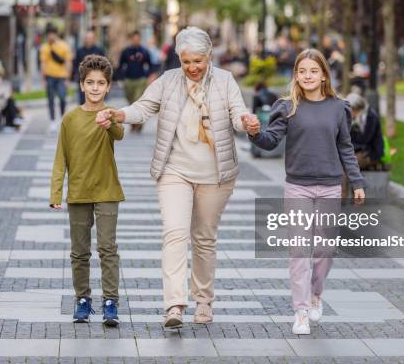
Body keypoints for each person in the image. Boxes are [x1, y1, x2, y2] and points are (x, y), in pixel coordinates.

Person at [95, 27, 252, 329]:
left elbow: (238, 113)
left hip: (215, 174)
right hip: (174, 170)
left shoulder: (225, 81)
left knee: (204, 239)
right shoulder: (167, 82)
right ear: (178, 59)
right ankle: (174, 305)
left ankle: (203, 301)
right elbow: (142, 107)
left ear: (209, 57)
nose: (192, 68)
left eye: (198, 61)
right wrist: (118, 114)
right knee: (175, 234)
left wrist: (247, 123)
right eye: (186, 61)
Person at [245, 48, 365, 335]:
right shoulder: (287, 107)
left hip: (330, 187)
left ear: (324, 74)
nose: (307, 76)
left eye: (313, 71)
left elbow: (345, 147)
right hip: (297, 186)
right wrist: (253, 131)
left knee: (325, 249)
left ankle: (316, 295)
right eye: (302, 71)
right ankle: (300, 311)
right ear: (295, 75)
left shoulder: (339, 107)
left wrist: (358, 182)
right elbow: (270, 141)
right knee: (299, 250)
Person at [49, 55, 125, 325]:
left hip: (107, 191)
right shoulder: (70, 119)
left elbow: (119, 135)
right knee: (79, 251)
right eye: (90, 82)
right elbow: (61, 158)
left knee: (107, 248)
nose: (95, 88)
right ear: (81, 85)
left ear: (108, 87)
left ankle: (110, 302)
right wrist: (55, 193)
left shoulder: (109, 114)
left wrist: (111, 121)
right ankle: (82, 299)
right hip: (79, 192)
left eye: (101, 83)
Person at [117, 31, 153, 133]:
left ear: (140, 39)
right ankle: (134, 123)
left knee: (137, 101)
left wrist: (148, 76)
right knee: (130, 102)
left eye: (138, 39)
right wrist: (121, 77)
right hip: (128, 80)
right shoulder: (126, 51)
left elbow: (150, 65)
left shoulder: (144, 51)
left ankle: (138, 124)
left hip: (140, 79)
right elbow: (120, 65)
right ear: (132, 39)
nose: (136, 41)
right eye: (134, 39)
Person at [40, 24, 73, 131]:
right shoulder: (45, 47)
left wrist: (68, 78)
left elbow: (68, 62)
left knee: (63, 97)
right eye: (49, 35)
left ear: (56, 34)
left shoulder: (64, 46)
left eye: (52, 34)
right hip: (49, 76)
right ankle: (52, 120)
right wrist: (43, 79)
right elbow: (43, 63)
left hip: (62, 77)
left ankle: (62, 116)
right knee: (50, 99)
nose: (50, 37)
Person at [72, 30, 105, 105]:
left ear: (94, 39)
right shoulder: (79, 51)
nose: (89, 40)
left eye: (91, 38)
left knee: (95, 100)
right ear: (85, 39)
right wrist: (75, 75)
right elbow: (75, 64)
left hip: (96, 80)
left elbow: (104, 65)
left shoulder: (99, 50)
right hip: (83, 79)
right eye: (87, 38)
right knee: (82, 101)